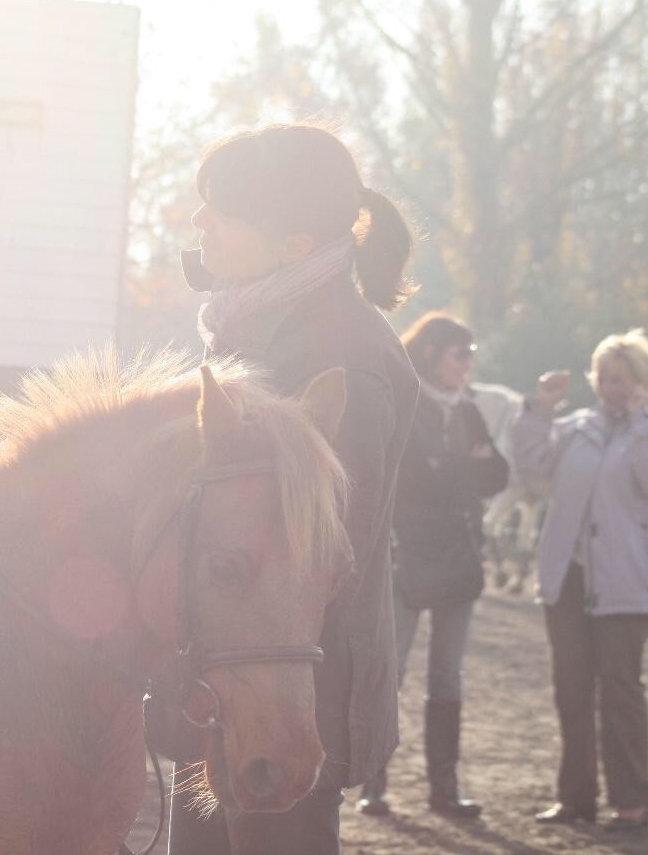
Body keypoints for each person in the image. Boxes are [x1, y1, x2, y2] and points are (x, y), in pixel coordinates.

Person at [164, 123, 419, 855]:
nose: (198, 222)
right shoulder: (258, 321)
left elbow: (322, 556)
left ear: (295, 245)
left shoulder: (341, 356)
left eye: (221, 210)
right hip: (236, 678)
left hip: (286, 695)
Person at [512, 329, 648, 832]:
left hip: (628, 582)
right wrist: (539, 410)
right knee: (570, 691)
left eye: (624, 379)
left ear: (643, 382)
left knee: (620, 692)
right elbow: (532, 471)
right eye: (606, 378)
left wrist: (637, 418)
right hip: (568, 577)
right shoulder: (575, 428)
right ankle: (575, 798)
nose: (611, 387)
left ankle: (631, 802)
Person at [356, 313, 508, 819]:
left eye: (471, 353)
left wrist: (453, 466)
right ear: (430, 354)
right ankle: (371, 784)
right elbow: (411, 478)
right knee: (390, 672)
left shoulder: (467, 411)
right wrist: (460, 466)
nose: (468, 363)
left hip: (458, 561)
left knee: (448, 677)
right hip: (407, 559)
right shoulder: (408, 403)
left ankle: (445, 790)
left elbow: (495, 478)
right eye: (459, 353)